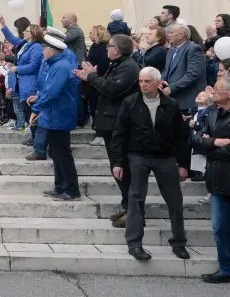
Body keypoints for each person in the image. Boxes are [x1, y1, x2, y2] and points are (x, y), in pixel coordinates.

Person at [109, 66, 191, 262]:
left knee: (175, 201)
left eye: (147, 81)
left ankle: (179, 242)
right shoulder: (130, 102)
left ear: (157, 83)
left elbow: (181, 136)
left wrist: (183, 164)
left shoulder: (170, 104)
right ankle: (135, 244)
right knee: (136, 198)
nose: (143, 85)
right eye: (140, 81)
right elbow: (119, 134)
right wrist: (118, 162)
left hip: (165, 157)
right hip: (138, 155)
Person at [74, 34, 139, 227]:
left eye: (109, 46)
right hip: (111, 124)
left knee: (122, 169)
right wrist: (89, 79)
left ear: (117, 49)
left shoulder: (128, 67)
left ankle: (134, 212)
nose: (106, 49)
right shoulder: (117, 64)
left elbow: (112, 89)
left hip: (119, 125)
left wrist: (93, 77)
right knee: (118, 168)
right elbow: (104, 88)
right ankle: (128, 206)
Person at [30, 31, 80, 201]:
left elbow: (52, 92)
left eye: (44, 48)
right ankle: (60, 186)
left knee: (62, 153)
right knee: (56, 152)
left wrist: (36, 108)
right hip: (54, 115)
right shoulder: (55, 65)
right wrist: (39, 101)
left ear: (52, 51)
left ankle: (72, 190)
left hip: (59, 115)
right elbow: (47, 89)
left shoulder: (60, 66)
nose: (42, 51)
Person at [192, 77, 230, 283]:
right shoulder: (212, 113)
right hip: (216, 179)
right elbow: (197, 139)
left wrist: (210, 146)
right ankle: (226, 268)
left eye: (218, 89)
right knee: (219, 227)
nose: (213, 92)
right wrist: (216, 142)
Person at [0, 16, 44, 146]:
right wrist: (3, 25)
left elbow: (33, 66)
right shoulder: (26, 44)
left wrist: (17, 68)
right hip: (23, 83)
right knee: (28, 110)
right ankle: (33, 136)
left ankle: (37, 138)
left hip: (31, 83)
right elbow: (12, 39)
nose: (24, 32)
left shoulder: (36, 47)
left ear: (33, 34)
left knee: (33, 111)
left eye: (27, 31)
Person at [163, 24, 207, 113]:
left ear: (181, 35)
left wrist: (171, 88)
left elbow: (192, 74)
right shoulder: (171, 50)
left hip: (187, 100)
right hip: (172, 100)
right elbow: (166, 70)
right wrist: (160, 81)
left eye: (171, 32)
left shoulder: (193, 49)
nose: (168, 35)